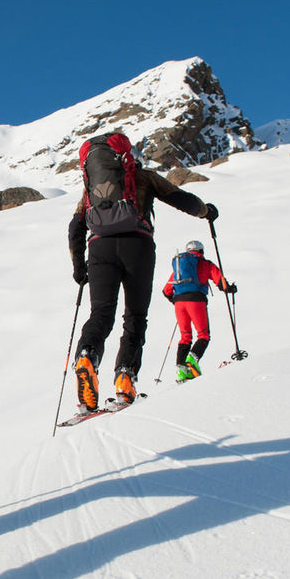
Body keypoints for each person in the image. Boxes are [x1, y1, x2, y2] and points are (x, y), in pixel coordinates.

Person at [69, 132, 216, 410]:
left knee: (101, 314)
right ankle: (125, 377)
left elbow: (75, 226)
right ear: (127, 158)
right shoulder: (144, 177)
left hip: (99, 249)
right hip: (138, 247)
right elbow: (181, 199)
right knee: (135, 316)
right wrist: (206, 212)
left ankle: (87, 357)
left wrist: (80, 267)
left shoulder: (91, 190)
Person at [162, 240, 236, 382]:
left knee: (185, 337)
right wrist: (231, 288)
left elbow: (166, 291)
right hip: (196, 301)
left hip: (179, 303)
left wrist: (176, 300)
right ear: (201, 251)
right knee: (203, 335)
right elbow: (221, 282)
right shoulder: (205, 264)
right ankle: (191, 363)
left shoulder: (180, 268)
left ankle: (181, 370)